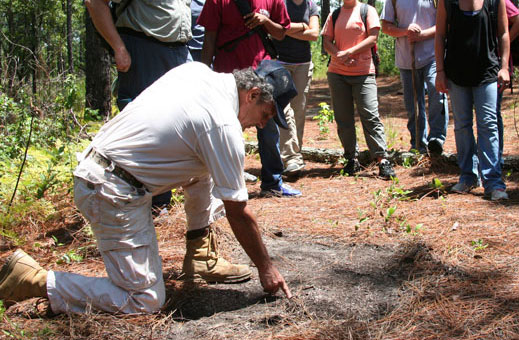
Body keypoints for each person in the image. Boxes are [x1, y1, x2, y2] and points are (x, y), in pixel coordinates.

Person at [0, 61, 293, 314]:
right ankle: (33, 280)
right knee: (144, 299)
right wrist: (265, 267)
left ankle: (200, 254)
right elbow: (238, 211)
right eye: (265, 115)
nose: (261, 125)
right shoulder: (222, 126)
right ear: (252, 94)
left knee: (207, 168)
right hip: (111, 192)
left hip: (102, 171)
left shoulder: (197, 72)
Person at [85, 0, 193, 212]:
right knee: (147, 128)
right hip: (144, 47)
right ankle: (150, 203)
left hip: (179, 51)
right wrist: (119, 47)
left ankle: (168, 200)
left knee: (184, 124)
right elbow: (95, 3)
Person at [198, 0, 303, 197]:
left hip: (263, 75)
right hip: (229, 78)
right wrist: (204, 75)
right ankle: (223, 187)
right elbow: (209, 39)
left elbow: (280, 33)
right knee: (225, 132)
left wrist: (265, 21)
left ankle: (272, 183)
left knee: (269, 130)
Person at [435, 0, 510, 200]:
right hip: (457, 74)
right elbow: (440, 35)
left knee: (488, 124)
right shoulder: (447, 2)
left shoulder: (495, 1)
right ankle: (468, 176)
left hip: (487, 72)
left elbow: (503, 32)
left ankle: (494, 182)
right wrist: (440, 72)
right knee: (462, 125)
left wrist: (504, 67)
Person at [321, 0, 396, 179]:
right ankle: (351, 160)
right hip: (337, 73)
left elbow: (373, 37)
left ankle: (382, 160)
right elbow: (326, 41)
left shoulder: (367, 11)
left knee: (370, 115)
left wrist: (350, 52)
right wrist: (339, 55)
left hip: (363, 73)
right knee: (343, 118)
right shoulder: (335, 14)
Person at [381, 0, 449, 155]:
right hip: (406, 60)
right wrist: (406, 31)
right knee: (413, 104)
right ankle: (418, 143)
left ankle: (436, 140)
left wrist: (423, 35)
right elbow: (386, 27)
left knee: (437, 92)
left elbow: (445, 23)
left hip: (433, 57)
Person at [272, 0, 320, 175]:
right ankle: (291, 157)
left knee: (298, 111)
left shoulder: (311, 5)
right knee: (285, 110)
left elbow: (314, 34)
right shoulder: (280, 3)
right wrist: (301, 26)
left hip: (303, 64)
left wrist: (286, 29)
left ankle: (293, 156)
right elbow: (274, 30)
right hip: (280, 62)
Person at [496, 0, 519, 166]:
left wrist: (505, 43)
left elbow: (517, 18)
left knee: (492, 114)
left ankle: (496, 158)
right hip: (473, 67)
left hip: (496, 65)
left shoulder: (499, 1)